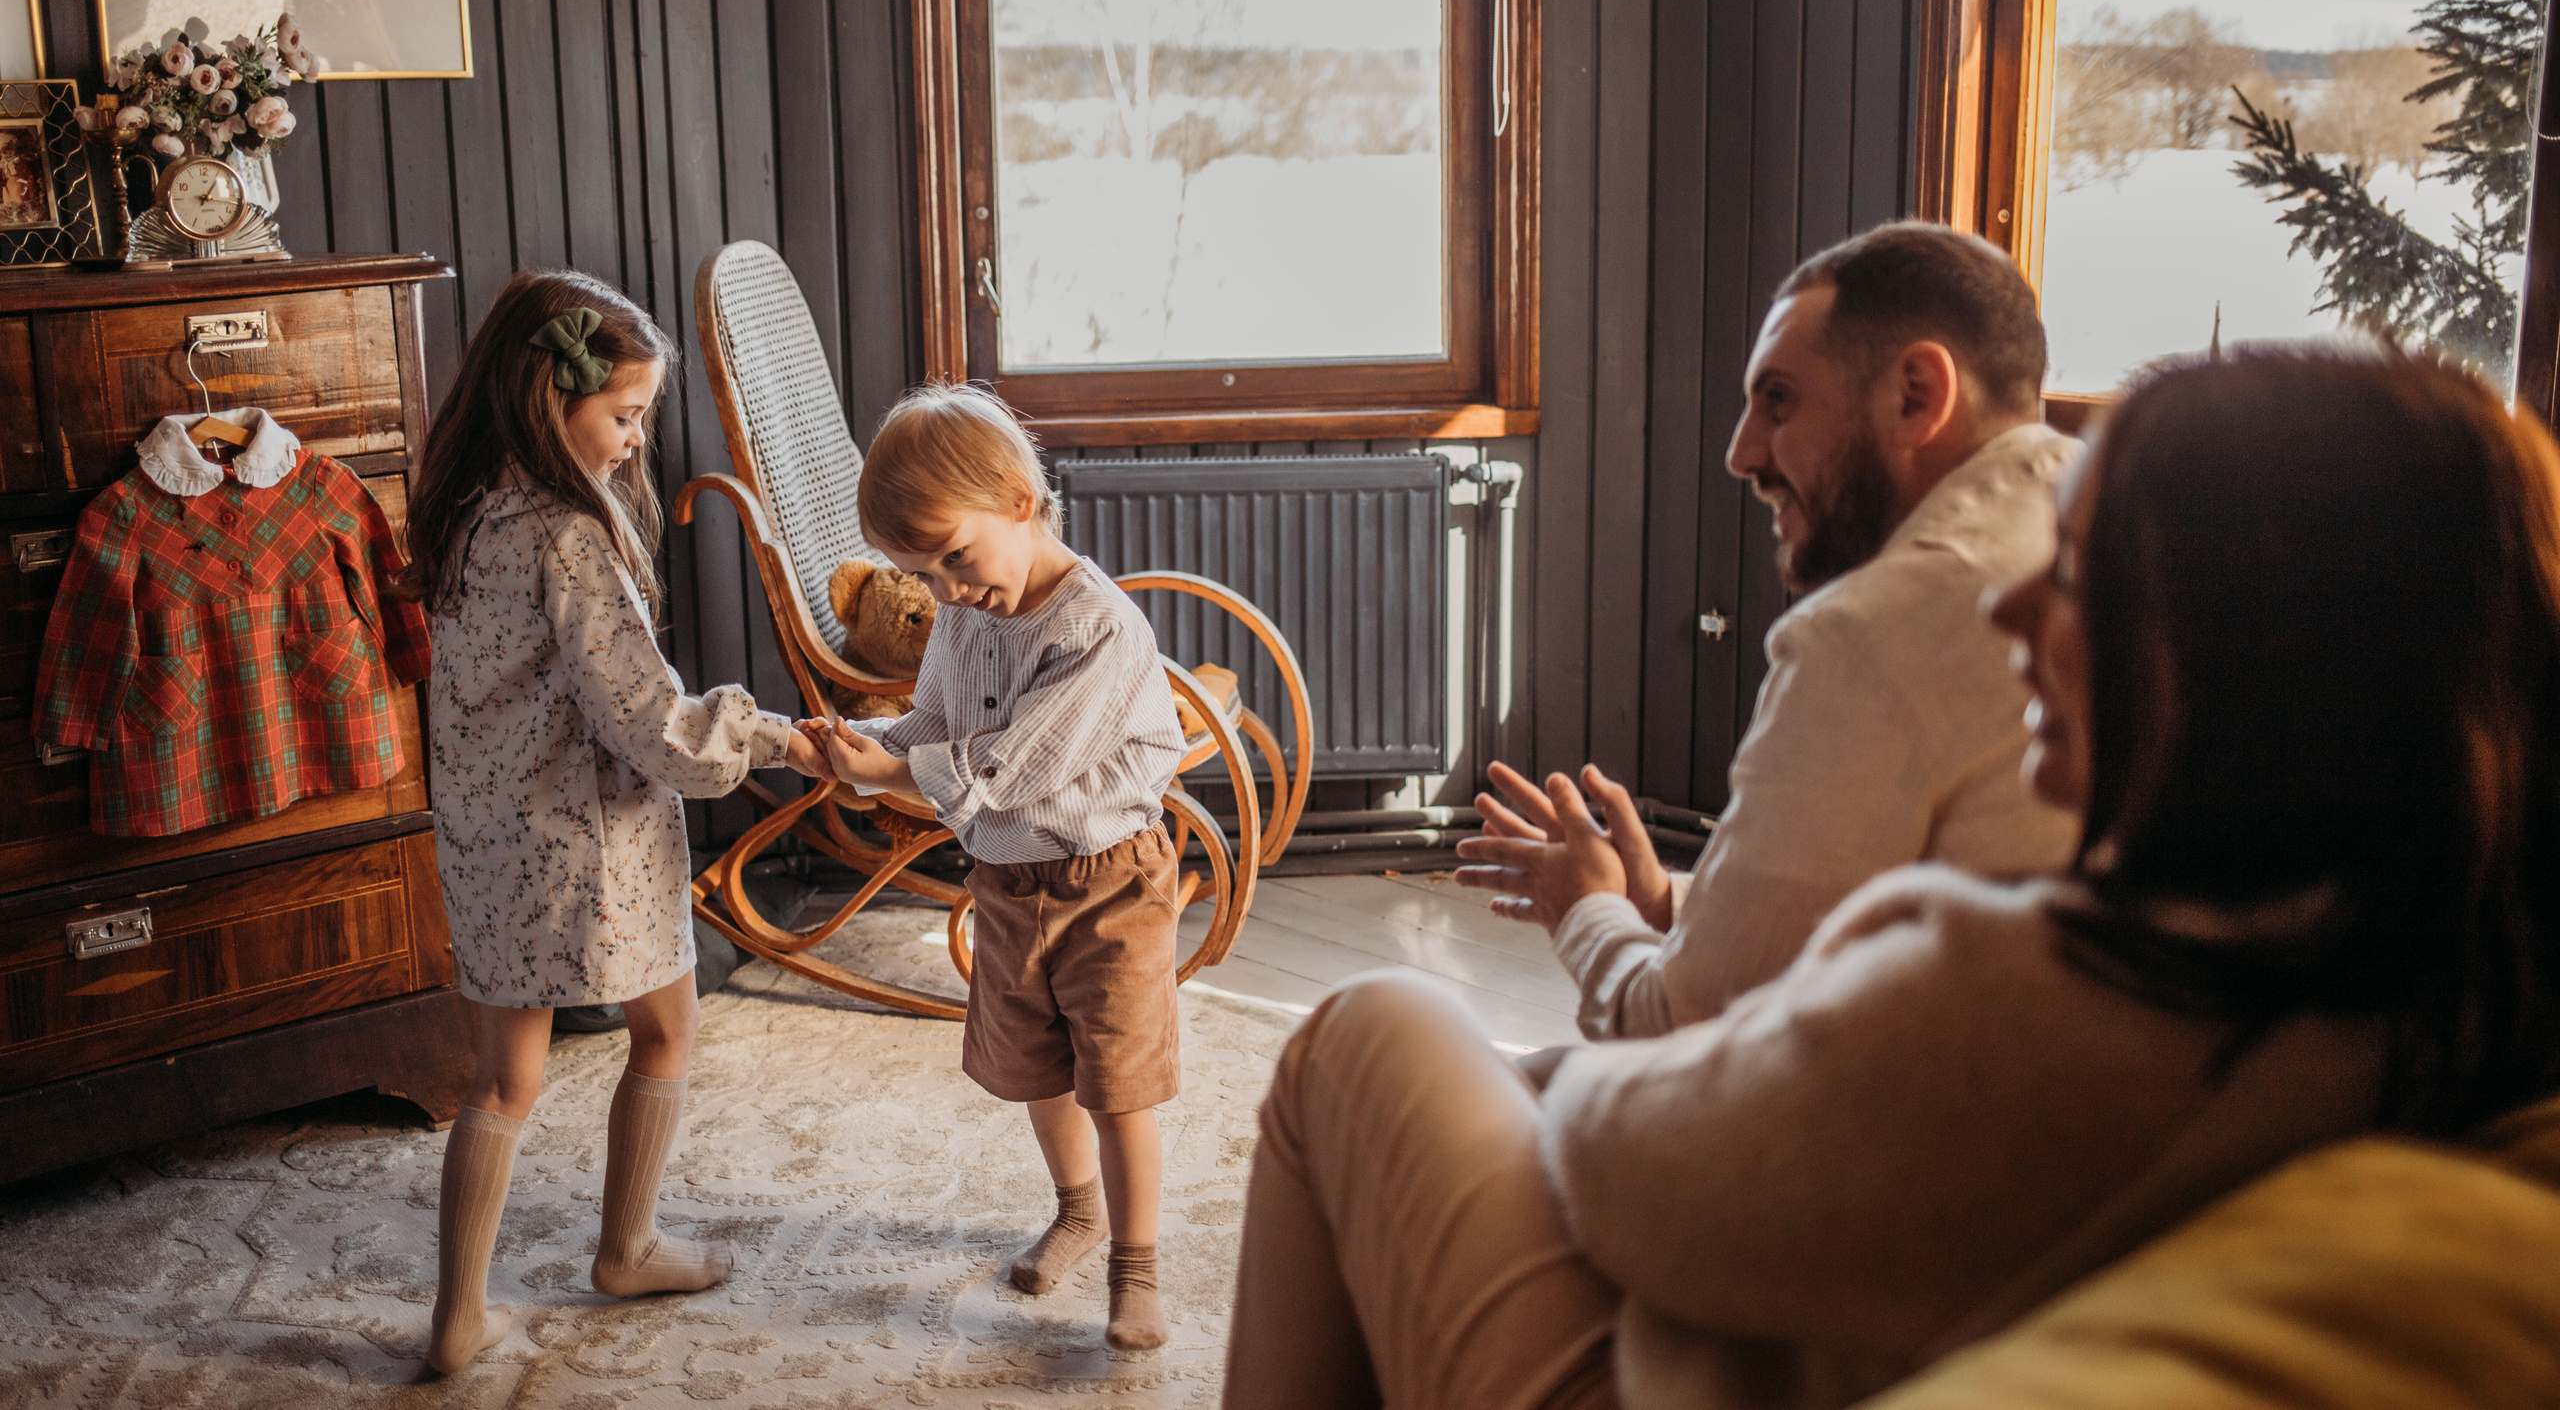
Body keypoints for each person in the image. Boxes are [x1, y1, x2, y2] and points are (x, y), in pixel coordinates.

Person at [1221, 344, 2560, 1410]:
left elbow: (1634, 1161)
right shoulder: (2448, 978)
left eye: (2079, 576)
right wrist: (1673, 914)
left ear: (2253, 656)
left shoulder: (2027, 983)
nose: (2011, 612)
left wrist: (1597, 922)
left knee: (1371, 1027)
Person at [1463, 222, 2081, 1040]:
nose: (1740, 452)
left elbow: (1676, 1025)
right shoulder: (2094, 520)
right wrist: (1664, 904)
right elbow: (1881, 911)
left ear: (1916, 395)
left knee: (1360, 1038)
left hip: (1899, 1137)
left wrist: (1585, 908)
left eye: (1778, 400)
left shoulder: (1873, 630)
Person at [398, 270, 838, 1374]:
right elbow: (656, 727)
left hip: (488, 838)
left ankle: (457, 1314)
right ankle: (629, 1244)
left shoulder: (462, 511)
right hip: (589, 841)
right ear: (553, 396)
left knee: (502, 1079)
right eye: (627, 414)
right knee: (668, 1028)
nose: (639, 442)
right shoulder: (571, 539)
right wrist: (778, 738)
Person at [802, 383, 1191, 1351]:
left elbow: (1017, 764)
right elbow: (934, 722)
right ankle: (1077, 1206)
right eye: (920, 574)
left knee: (1118, 1078)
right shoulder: (964, 611)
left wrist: (895, 771)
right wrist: (862, 748)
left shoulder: (1095, 627)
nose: (944, 591)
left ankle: (1134, 1262)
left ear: (1020, 501)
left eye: (954, 559)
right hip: (1008, 883)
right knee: (1036, 1068)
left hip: (1108, 882)